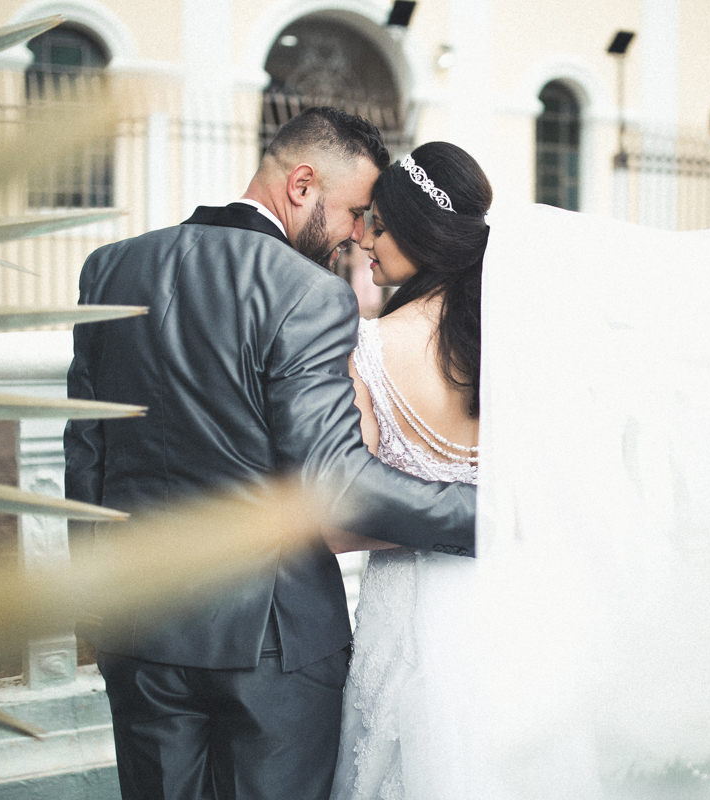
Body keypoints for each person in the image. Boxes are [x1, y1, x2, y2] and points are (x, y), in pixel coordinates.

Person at [63, 109, 476, 800]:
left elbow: (86, 453)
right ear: (303, 184)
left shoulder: (110, 268)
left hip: (137, 627)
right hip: (274, 646)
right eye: (353, 212)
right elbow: (337, 484)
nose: (355, 235)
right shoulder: (310, 294)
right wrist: (484, 512)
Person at [324, 142, 490, 800]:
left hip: (410, 622)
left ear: (420, 231)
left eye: (379, 224)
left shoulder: (368, 348)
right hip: (510, 604)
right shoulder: (525, 343)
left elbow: (342, 516)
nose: (363, 238)